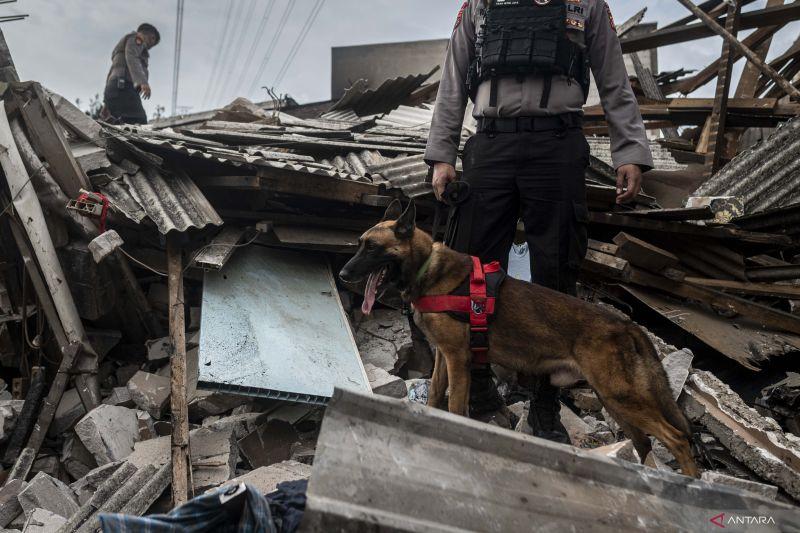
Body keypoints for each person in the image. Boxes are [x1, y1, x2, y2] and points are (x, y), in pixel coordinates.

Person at [425, 0, 654, 442]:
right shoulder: (480, 5)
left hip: (556, 145)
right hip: (491, 144)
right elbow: (452, 81)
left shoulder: (586, 5)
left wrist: (631, 152)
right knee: (470, 273)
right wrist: (442, 156)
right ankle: (479, 388)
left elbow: (614, 81)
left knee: (556, 273)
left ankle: (546, 405)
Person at [102, 23, 160, 125]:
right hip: (123, 88)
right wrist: (143, 82)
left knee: (123, 126)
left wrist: (106, 104)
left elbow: (112, 72)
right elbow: (132, 57)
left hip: (114, 90)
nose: (150, 47)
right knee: (140, 123)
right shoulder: (136, 39)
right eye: (153, 43)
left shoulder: (122, 48)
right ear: (152, 37)